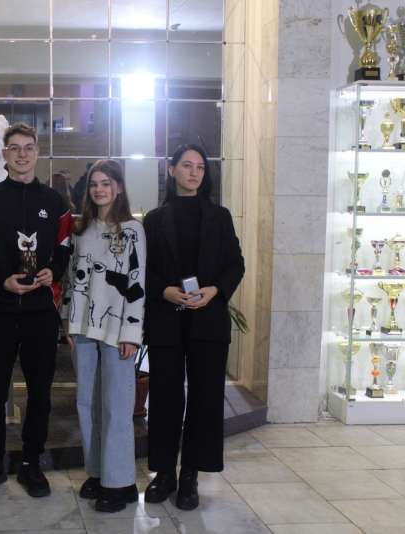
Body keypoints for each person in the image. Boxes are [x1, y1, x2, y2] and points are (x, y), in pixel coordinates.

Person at [0, 122, 72, 498]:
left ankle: (31, 465)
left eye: (28, 148)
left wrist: (52, 271)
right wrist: (1, 281)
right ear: (5, 154)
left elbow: (64, 249)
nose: (22, 154)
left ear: (37, 153)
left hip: (41, 313)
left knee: (40, 394)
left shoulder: (56, 203)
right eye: (15, 148)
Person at [141, 144, 244, 511]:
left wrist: (214, 291)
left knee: (205, 398)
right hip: (167, 319)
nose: (194, 172)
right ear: (171, 171)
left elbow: (235, 264)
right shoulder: (154, 219)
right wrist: (165, 291)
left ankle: (190, 475)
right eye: (186, 165)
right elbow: (143, 270)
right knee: (165, 398)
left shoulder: (220, 216)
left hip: (208, 319)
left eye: (200, 166)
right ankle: (164, 473)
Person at [64, 159, 146, 513]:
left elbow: (137, 283)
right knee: (87, 402)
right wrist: (68, 321)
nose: (99, 189)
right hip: (82, 328)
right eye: (94, 184)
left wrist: (132, 332)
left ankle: (120, 482)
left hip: (117, 331)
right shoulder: (80, 230)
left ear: (119, 187)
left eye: (106, 183)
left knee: (116, 405)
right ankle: (98, 472)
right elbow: (71, 278)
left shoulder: (132, 230)